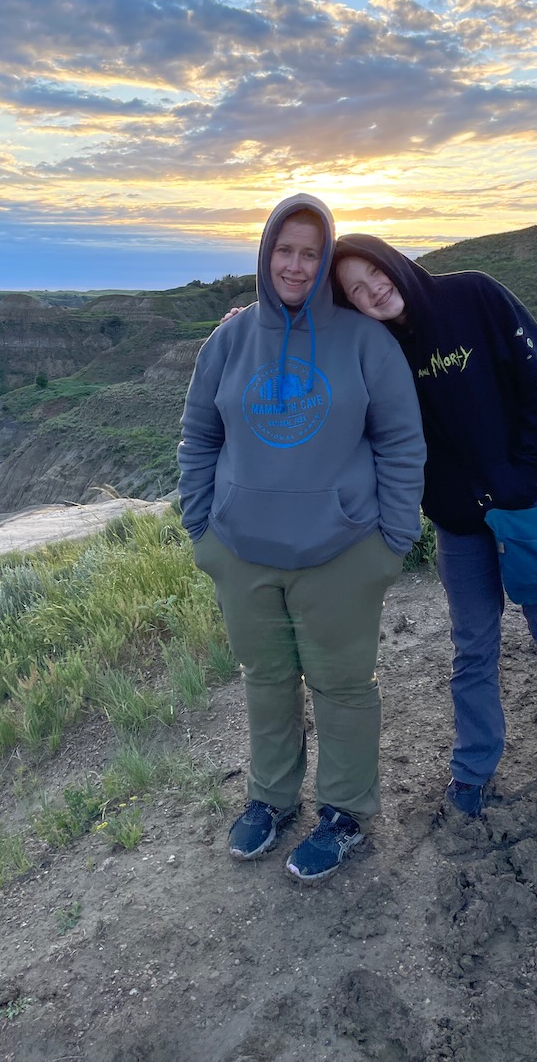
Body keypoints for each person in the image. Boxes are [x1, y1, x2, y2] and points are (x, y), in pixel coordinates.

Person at [331, 235, 537, 818]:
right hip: (459, 523)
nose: (371, 290)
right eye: (354, 290)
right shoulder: (373, 351)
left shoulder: (474, 296)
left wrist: (526, 478)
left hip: (529, 499)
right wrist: (256, 317)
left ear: (393, 262)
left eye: (373, 272)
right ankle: (473, 767)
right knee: (472, 646)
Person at [177, 196, 425, 881]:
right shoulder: (227, 341)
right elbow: (199, 437)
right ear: (265, 255)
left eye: (310, 253)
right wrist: (201, 529)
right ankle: (271, 799)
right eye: (284, 249)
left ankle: (344, 813)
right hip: (241, 550)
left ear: (325, 262)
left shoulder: (364, 342)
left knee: (343, 686)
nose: (295, 263)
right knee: (267, 679)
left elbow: (402, 443)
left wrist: (392, 541)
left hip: (341, 554)